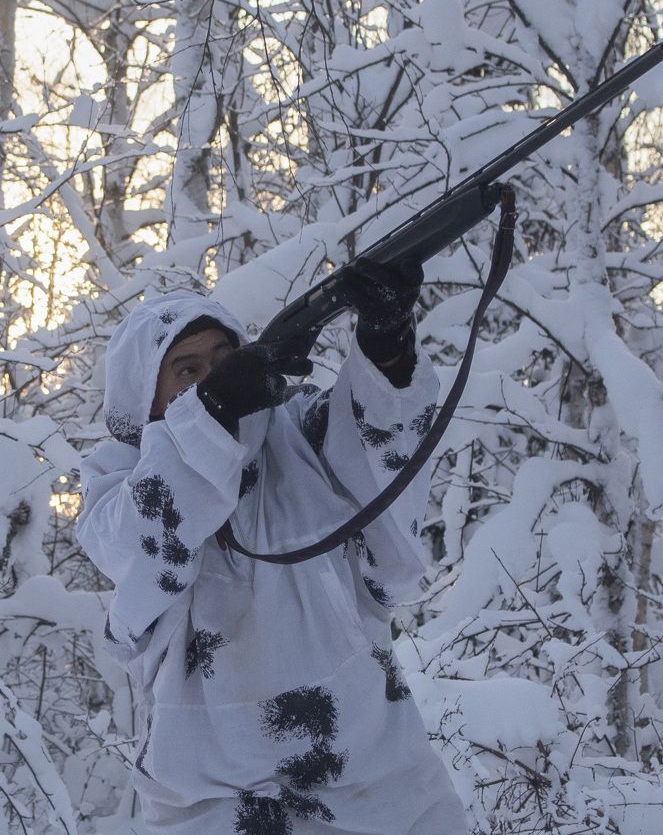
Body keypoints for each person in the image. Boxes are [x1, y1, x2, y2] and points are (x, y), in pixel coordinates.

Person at [77, 260, 469, 834]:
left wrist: (387, 345)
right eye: (187, 371)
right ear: (146, 395)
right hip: (211, 802)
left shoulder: (299, 430)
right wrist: (209, 415)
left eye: (222, 360)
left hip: (377, 782)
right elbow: (138, 544)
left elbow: (381, 467)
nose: (211, 378)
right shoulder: (118, 479)